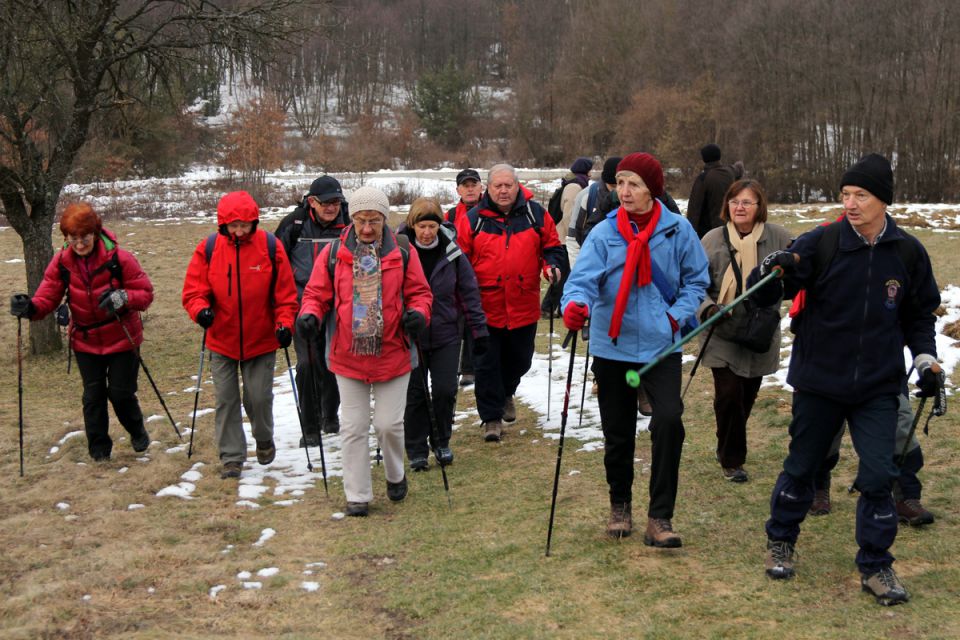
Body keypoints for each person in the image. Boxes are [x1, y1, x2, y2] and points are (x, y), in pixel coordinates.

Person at [753, 153, 941, 605]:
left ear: (884, 201)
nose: (851, 203)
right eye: (845, 195)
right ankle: (781, 539)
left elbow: (918, 316)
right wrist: (775, 270)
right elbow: (781, 284)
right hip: (820, 380)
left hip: (878, 384)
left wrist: (925, 359)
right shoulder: (824, 241)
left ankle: (876, 566)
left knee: (878, 476)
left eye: (861, 195)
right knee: (802, 467)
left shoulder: (908, 252)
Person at [560, 152, 710, 546]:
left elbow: (697, 283)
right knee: (619, 432)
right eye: (621, 182)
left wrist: (674, 319)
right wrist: (575, 306)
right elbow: (582, 282)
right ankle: (620, 505)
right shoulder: (605, 233)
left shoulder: (678, 231)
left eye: (634, 184)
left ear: (652, 190)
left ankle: (659, 517)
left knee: (669, 422)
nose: (624, 191)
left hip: (662, 347)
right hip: (613, 346)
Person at [297, 186, 433, 516]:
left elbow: (420, 293)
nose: (367, 228)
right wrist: (309, 315)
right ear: (352, 219)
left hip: (392, 353)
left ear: (385, 219)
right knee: (353, 427)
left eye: (374, 220)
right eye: (360, 220)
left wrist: (419, 314)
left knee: (388, 425)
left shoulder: (402, 252)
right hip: (348, 355)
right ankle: (357, 494)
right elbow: (316, 293)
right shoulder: (333, 254)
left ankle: (395, 474)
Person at [10, 203, 155, 461]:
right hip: (85, 340)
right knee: (93, 396)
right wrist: (30, 308)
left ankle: (136, 430)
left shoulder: (120, 259)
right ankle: (99, 450)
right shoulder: (62, 263)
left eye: (84, 237)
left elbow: (145, 294)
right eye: (73, 238)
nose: (79, 244)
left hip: (123, 337)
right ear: (66, 238)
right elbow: (48, 296)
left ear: (95, 233)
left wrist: (122, 297)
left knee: (120, 393)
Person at [182, 191, 299, 480]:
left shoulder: (270, 247)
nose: (238, 231)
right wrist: (201, 311)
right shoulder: (208, 249)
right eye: (233, 226)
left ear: (253, 222)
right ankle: (231, 457)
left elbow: (285, 294)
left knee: (258, 398)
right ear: (222, 225)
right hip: (221, 339)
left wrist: (285, 324)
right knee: (226, 399)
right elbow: (193, 291)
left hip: (262, 339)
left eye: (244, 225)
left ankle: (263, 437)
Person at [453, 163, 566, 443]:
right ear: (488, 189)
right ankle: (491, 418)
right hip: (484, 308)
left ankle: (506, 392)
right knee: (486, 363)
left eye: (508, 185)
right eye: (497, 186)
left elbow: (552, 247)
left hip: (523, 303)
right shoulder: (472, 219)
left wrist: (552, 266)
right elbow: (460, 259)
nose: (503, 191)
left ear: (517, 186)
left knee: (520, 359)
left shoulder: (535, 214)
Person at [697, 179, 791, 482]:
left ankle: (726, 438)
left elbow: (803, 268)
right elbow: (694, 283)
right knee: (728, 394)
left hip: (758, 332)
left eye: (747, 202)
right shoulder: (711, 239)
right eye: (735, 201)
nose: (740, 207)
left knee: (745, 396)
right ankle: (732, 460)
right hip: (720, 331)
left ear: (759, 207)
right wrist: (708, 308)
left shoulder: (778, 237)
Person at [399, 198, 488, 471]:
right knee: (414, 394)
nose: (427, 232)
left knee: (445, 390)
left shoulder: (452, 252)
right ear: (412, 225)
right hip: (409, 335)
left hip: (447, 332)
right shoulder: (398, 251)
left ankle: (441, 440)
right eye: (422, 226)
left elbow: (469, 292)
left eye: (432, 226)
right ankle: (415, 448)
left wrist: (479, 330)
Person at [276, 176, 349, 445]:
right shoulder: (294, 225)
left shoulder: (350, 226)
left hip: (338, 305)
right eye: (326, 202)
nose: (332, 207)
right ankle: (310, 428)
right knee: (307, 366)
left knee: (332, 363)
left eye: (336, 202)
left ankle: (329, 414)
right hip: (302, 304)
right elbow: (276, 261)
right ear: (311, 202)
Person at [809, 386, 935, 526]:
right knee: (824, 436)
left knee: (900, 430)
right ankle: (818, 487)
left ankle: (906, 498)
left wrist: (926, 364)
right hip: (827, 378)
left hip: (881, 377)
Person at [445, 168, 484, 386]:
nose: (470, 189)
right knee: (459, 320)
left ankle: (473, 366)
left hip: (484, 273)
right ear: (458, 189)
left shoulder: (490, 210)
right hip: (458, 274)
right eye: (465, 186)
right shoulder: (450, 216)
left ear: (481, 187)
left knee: (477, 320)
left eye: (473, 185)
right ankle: (465, 367)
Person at [542, 157, 592, 317]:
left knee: (565, 274)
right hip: (564, 237)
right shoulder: (574, 187)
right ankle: (548, 307)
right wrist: (575, 234)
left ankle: (554, 307)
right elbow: (570, 215)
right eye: (590, 169)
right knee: (563, 274)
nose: (591, 173)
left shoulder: (574, 184)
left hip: (564, 236)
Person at [686, 143, 737, 238]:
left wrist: (689, 233)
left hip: (708, 231)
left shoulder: (704, 178)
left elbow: (694, 209)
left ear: (704, 158)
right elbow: (738, 169)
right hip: (730, 227)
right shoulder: (729, 174)